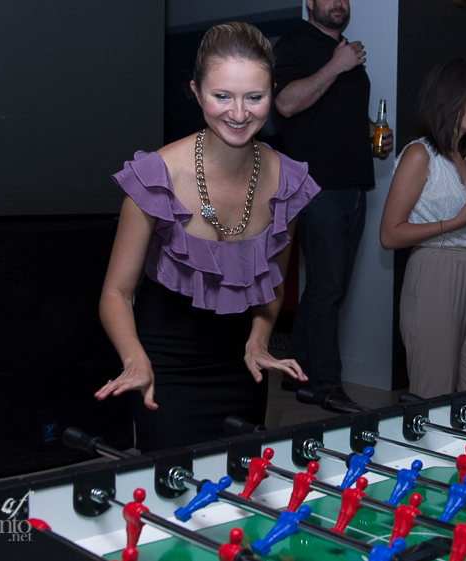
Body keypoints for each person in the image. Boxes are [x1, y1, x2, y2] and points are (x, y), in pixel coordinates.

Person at [93, 22, 318, 452]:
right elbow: (116, 293)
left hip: (242, 365)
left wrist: (259, 338)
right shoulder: (156, 176)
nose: (239, 113)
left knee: (239, 480)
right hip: (165, 366)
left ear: (272, 92)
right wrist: (134, 358)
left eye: (255, 97)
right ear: (197, 92)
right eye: (222, 96)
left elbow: (273, 283)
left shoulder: (288, 181)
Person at [273, 0, 394, 403]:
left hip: (354, 184)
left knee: (329, 287)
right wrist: (336, 65)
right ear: (310, 2)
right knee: (328, 288)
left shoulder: (346, 52)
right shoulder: (295, 44)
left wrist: (373, 135)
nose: (339, 3)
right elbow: (285, 103)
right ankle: (326, 383)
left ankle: (295, 369)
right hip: (316, 185)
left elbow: (341, 113)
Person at [379, 57, 466, 398]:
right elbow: (389, 235)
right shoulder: (420, 154)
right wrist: (455, 222)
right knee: (433, 396)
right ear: (447, 96)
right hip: (436, 272)